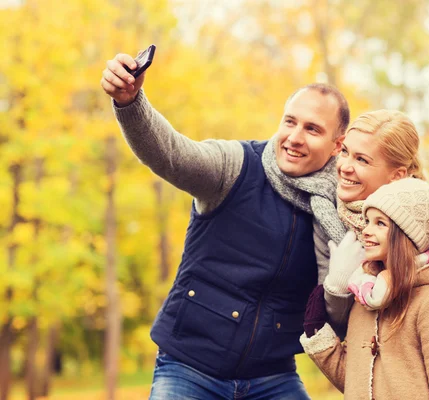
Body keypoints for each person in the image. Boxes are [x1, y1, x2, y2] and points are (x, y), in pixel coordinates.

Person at [100, 53, 351, 399]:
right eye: (290, 122)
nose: (294, 137)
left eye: (312, 129)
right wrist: (129, 103)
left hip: (272, 375)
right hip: (189, 367)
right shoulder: (236, 166)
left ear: (338, 145)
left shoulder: (341, 207)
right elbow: (170, 153)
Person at [300, 178, 429, 399]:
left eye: (380, 223)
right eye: (367, 221)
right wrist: (319, 336)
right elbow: (354, 382)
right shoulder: (363, 298)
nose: (366, 230)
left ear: (406, 235)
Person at [320, 110, 427, 329]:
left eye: (362, 160)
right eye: (345, 152)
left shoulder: (422, 223)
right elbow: (335, 326)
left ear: (397, 175)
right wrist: (337, 287)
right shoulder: (326, 212)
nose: (344, 167)